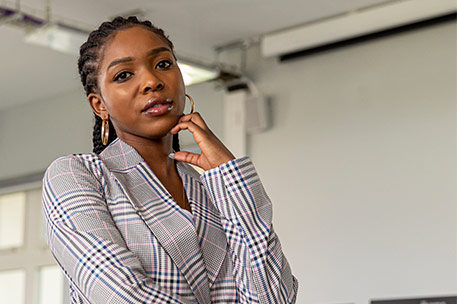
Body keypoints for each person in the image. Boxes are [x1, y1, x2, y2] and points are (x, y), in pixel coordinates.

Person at [42, 16, 298, 304]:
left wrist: (230, 177)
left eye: (163, 64)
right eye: (124, 75)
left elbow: (273, 299)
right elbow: (124, 297)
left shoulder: (214, 189)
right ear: (99, 105)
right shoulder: (75, 176)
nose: (152, 81)